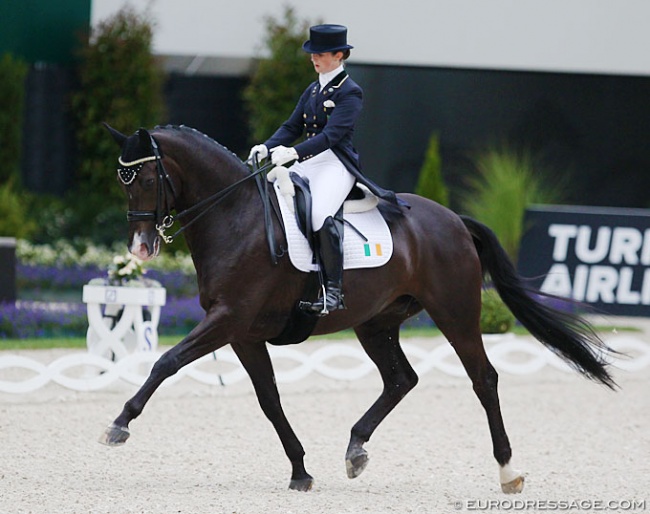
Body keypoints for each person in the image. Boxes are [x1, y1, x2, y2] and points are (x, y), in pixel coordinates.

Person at [248, 24, 402, 316]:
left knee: (320, 213)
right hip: (309, 162)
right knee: (274, 201)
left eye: (320, 54)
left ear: (340, 55)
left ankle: (333, 292)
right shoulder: (313, 89)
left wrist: (293, 152)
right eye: (312, 53)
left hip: (336, 163)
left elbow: (331, 136)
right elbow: (292, 126)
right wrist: (267, 146)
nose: (314, 58)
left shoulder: (350, 92)